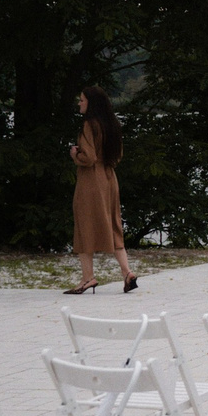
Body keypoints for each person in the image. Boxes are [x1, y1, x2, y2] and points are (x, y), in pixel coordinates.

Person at [68, 85, 137, 296]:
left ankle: (88, 277)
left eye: (82, 100)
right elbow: (117, 155)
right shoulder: (112, 125)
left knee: (84, 225)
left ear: (91, 103)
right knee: (113, 224)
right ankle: (127, 273)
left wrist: (74, 154)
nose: (79, 103)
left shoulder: (89, 125)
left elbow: (88, 158)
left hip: (91, 181)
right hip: (110, 179)